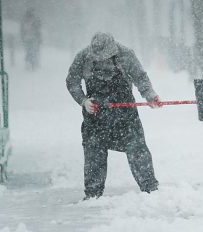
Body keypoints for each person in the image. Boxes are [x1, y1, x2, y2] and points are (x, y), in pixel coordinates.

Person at [66, 32, 161, 199]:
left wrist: (150, 95)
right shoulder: (83, 56)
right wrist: (83, 101)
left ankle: (150, 189)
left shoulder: (126, 54)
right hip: (95, 116)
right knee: (94, 154)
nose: (103, 62)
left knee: (137, 149)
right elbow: (72, 81)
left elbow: (140, 77)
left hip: (125, 115)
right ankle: (93, 194)